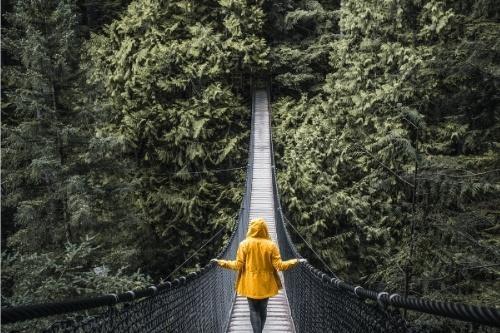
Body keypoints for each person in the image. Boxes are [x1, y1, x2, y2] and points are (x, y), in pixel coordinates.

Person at [211, 217, 306, 333]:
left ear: (251, 229)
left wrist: (221, 262)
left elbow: (237, 265)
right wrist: (296, 261)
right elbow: (280, 266)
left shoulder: (244, 244)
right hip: (266, 284)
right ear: (265, 229)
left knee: (253, 310)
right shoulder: (271, 245)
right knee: (263, 309)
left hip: (250, 283)